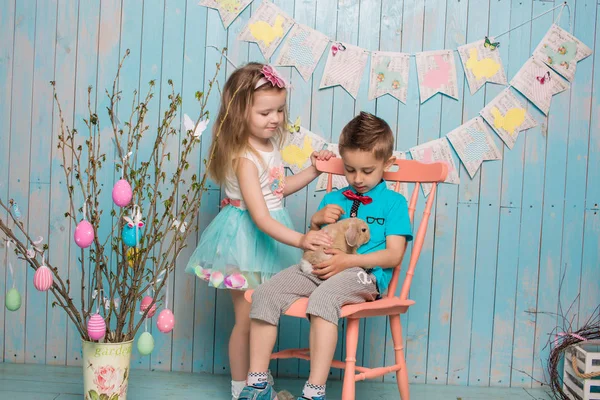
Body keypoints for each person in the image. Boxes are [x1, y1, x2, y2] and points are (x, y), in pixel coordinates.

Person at [185, 63, 334, 400]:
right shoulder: (244, 157)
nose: (275, 119)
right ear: (241, 113)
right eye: (265, 111)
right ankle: (243, 389)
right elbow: (261, 216)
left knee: (263, 315)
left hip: (269, 237)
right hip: (246, 239)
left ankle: (259, 380)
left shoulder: (268, 147)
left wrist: (312, 170)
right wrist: (300, 239)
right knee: (248, 319)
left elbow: (275, 192)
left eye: (280, 110)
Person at [240, 112, 413, 400]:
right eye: (349, 169)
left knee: (323, 299)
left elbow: (394, 256)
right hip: (318, 268)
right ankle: (258, 384)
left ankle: (314, 392)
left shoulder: (394, 203)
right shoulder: (334, 198)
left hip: (362, 275)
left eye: (367, 171)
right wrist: (315, 222)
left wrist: (348, 261)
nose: (357, 179)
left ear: (388, 164)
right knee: (265, 293)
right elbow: (312, 245)